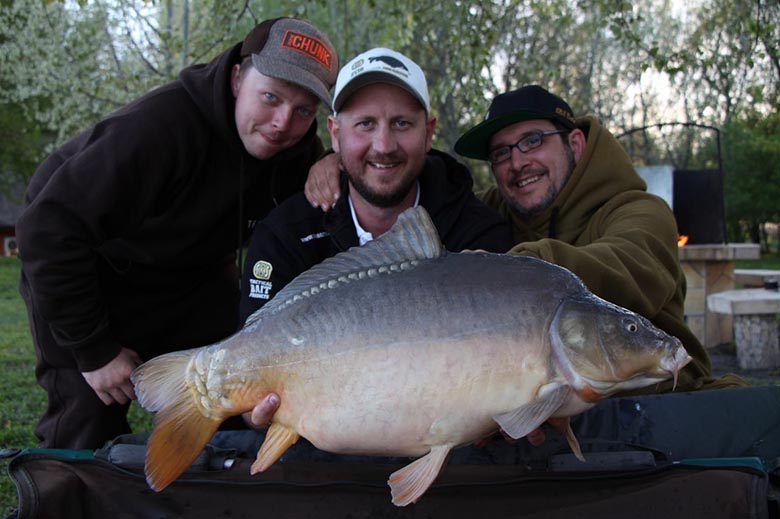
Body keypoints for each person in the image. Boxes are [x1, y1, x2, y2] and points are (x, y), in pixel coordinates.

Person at [16, 17, 338, 449]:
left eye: (303, 111)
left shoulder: (298, 150)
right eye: (270, 97)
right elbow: (47, 228)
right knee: (87, 420)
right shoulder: (160, 127)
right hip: (92, 273)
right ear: (237, 77)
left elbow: (362, 165)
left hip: (193, 281)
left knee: (229, 396)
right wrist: (94, 350)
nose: (282, 122)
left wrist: (334, 162)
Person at [239, 48, 512, 324]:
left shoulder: (480, 235)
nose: (384, 146)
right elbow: (251, 353)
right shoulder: (284, 236)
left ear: (428, 133)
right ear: (335, 134)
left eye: (402, 123)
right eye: (365, 124)